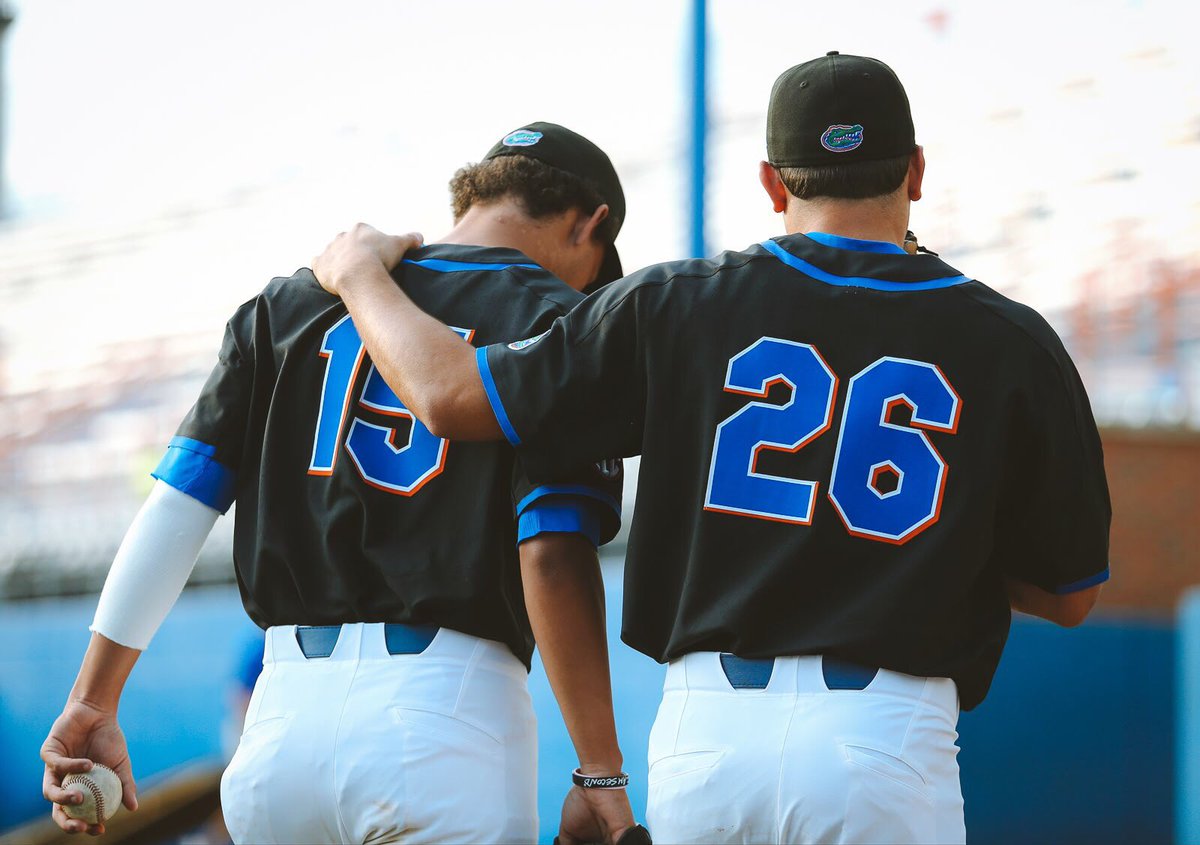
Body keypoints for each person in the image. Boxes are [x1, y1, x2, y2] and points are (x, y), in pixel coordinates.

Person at [308, 53, 1111, 844]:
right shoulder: (1011, 342)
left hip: (709, 741)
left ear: (771, 183)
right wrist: (920, 553)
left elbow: (448, 395)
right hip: (883, 740)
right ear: (916, 171)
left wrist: (360, 277)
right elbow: (1070, 594)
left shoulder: (673, 303)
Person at [40, 122, 644, 845]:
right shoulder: (562, 320)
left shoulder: (290, 303)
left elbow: (178, 505)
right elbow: (551, 550)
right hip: (446, 715)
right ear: (593, 225)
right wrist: (599, 770)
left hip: (278, 724)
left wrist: (94, 698)